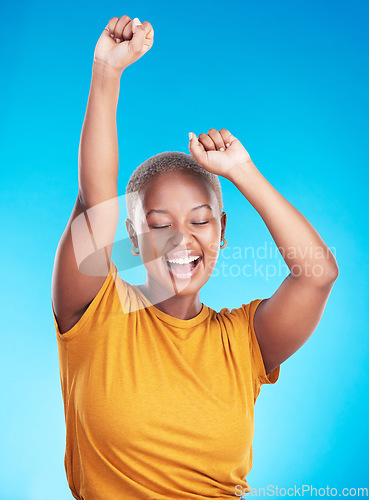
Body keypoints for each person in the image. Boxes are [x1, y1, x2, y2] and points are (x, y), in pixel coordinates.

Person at [51, 15, 339, 500]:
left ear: (221, 232)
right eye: (160, 225)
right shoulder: (94, 310)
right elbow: (93, 205)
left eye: (201, 221)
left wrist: (243, 173)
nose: (182, 239)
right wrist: (106, 73)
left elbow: (318, 275)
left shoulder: (243, 343)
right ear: (132, 237)